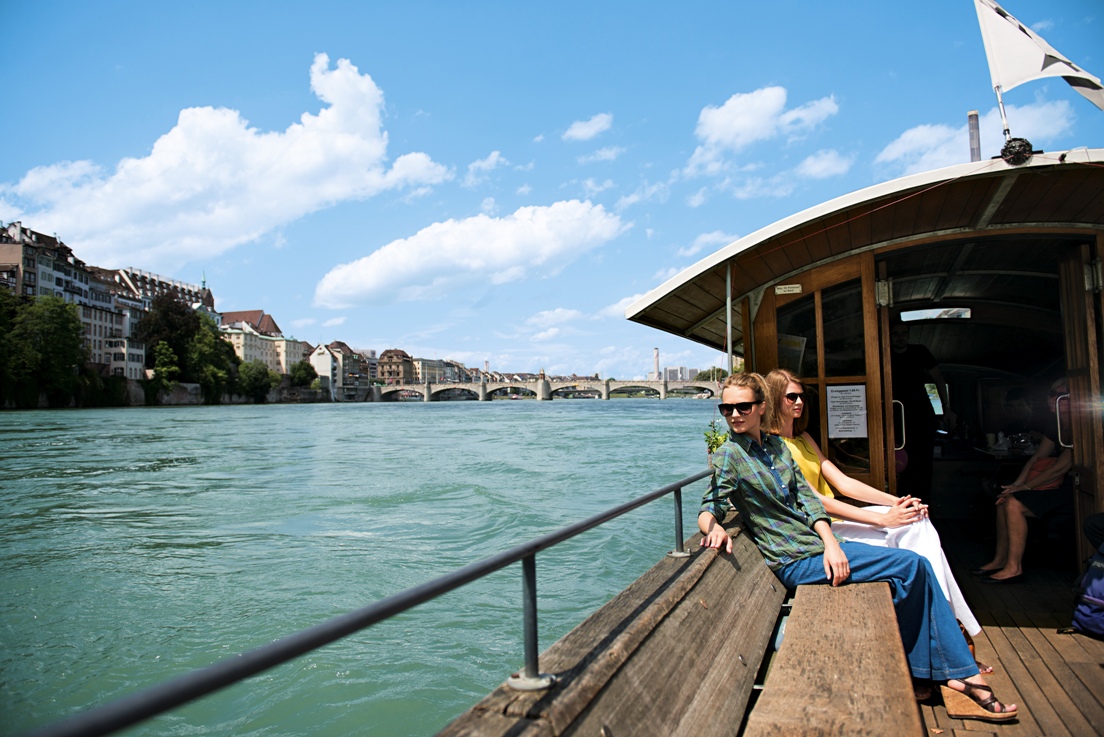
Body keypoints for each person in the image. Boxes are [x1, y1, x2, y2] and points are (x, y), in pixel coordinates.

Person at [699, 373, 1015, 721]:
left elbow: (808, 501)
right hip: (793, 559)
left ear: (760, 408)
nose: (734, 415)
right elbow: (710, 504)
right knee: (912, 567)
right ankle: (960, 674)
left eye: (743, 407)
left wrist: (832, 543)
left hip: (819, 548)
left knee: (911, 569)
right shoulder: (729, 454)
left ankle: (936, 670)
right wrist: (713, 528)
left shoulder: (776, 449)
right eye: (726, 408)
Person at [764, 368, 986, 664]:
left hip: (838, 520)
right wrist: (882, 520)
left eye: (802, 396)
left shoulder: (803, 438)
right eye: (791, 396)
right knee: (910, 535)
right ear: (775, 399)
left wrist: (899, 502)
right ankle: (951, 630)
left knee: (916, 520)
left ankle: (946, 625)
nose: (799, 402)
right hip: (822, 529)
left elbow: (843, 484)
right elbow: (816, 501)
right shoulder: (773, 446)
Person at [974, 377, 1073, 583]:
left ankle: (1014, 568)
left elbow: (1060, 468)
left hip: (1072, 488)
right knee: (1004, 500)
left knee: (1014, 504)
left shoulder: (1080, 426)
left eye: (1058, 396)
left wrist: (1025, 488)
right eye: (1050, 395)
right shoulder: (1054, 425)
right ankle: (1000, 560)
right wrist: (1016, 486)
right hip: (1053, 484)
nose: (1051, 400)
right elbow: (1037, 457)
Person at [889, 320, 955, 499]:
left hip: (921, 415)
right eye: (896, 334)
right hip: (893, 415)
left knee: (923, 463)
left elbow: (938, 379)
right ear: (890, 336)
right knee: (899, 463)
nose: (900, 337)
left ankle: (925, 504)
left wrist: (946, 408)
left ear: (908, 336)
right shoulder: (884, 354)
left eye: (903, 333)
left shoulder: (920, 352)